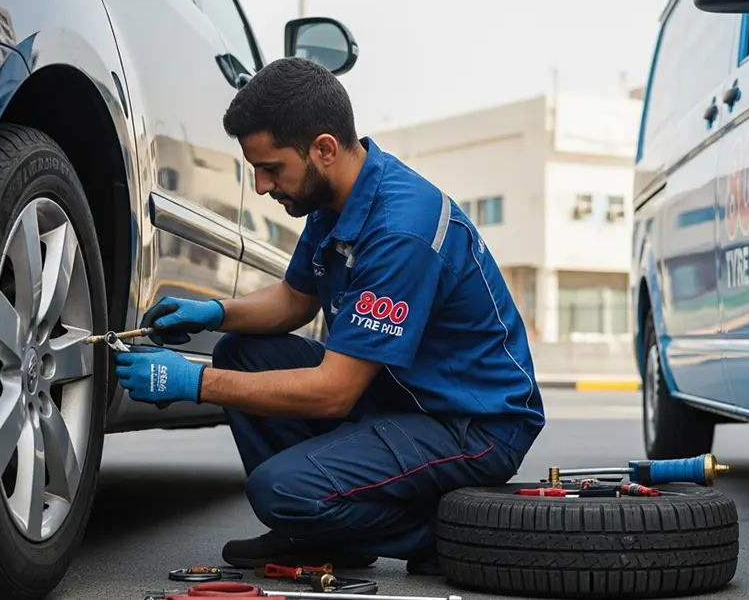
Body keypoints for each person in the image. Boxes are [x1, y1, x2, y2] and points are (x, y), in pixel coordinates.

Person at [111, 57, 546, 575]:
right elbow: (296, 299)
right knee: (243, 352)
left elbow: (333, 390)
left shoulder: (400, 230)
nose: (261, 186)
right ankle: (320, 533)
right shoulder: (332, 199)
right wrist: (213, 313)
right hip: (399, 394)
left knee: (280, 490)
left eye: (271, 168)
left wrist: (194, 381)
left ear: (323, 148)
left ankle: (446, 533)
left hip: (471, 424)